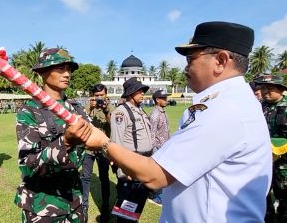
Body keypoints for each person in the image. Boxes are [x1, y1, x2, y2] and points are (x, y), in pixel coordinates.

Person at [80, 21, 272, 222]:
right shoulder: (227, 104)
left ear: (221, 61)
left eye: (191, 59)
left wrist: (103, 142)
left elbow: (155, 175)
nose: (186, 67)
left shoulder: (226, 109)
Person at [14, 48, 91, 223]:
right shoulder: (30, 111)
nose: (67, 74)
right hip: (42, 208)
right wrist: (65, 142)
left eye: (69, 69)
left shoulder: (76, 108)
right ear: (42, 72)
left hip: (75, 203)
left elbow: (93, 140)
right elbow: (27, 166)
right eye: (60, 68)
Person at [110, 77, 153, 223]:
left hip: (144, 164)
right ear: (130, 93)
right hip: (130, 166)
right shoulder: (121, 113)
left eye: (143, 91)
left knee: (137, 205)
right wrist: (122, 171)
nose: (143, 94)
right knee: (126, 208)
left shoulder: (140, 111)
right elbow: (116, 143)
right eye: (139, 91)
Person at [81, 83, 114, 222]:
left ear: (106, 94)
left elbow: (113, 124)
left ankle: (105, 208)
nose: (99, 98)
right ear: (92, 96)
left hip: (103, 148)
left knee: (104, 178)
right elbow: (80, 122)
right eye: (96, 95)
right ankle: (84, 209)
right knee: (85, 178)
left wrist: (106, 110)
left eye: (102, 95)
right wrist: (90, 108)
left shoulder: (111, 107)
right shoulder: (89, 106)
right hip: (88, 148)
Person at [256, 74, 287, 222]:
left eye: (270, 88)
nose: (265, 91)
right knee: (262, 193)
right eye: (263, 88)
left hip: (284, 162)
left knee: (284, 194)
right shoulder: (258, 106)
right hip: (262, 159)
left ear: (281, 89)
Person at [147, 90, 170, 206]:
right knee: (156, 173)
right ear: (157, 100)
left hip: (164, 148)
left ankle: (158, 193)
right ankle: (154, 196)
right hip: (157, 149)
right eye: (164, 98)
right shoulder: (155, 114)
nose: (166, 100)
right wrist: (153, 151)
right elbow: (151, 133)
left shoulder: (162, 112)